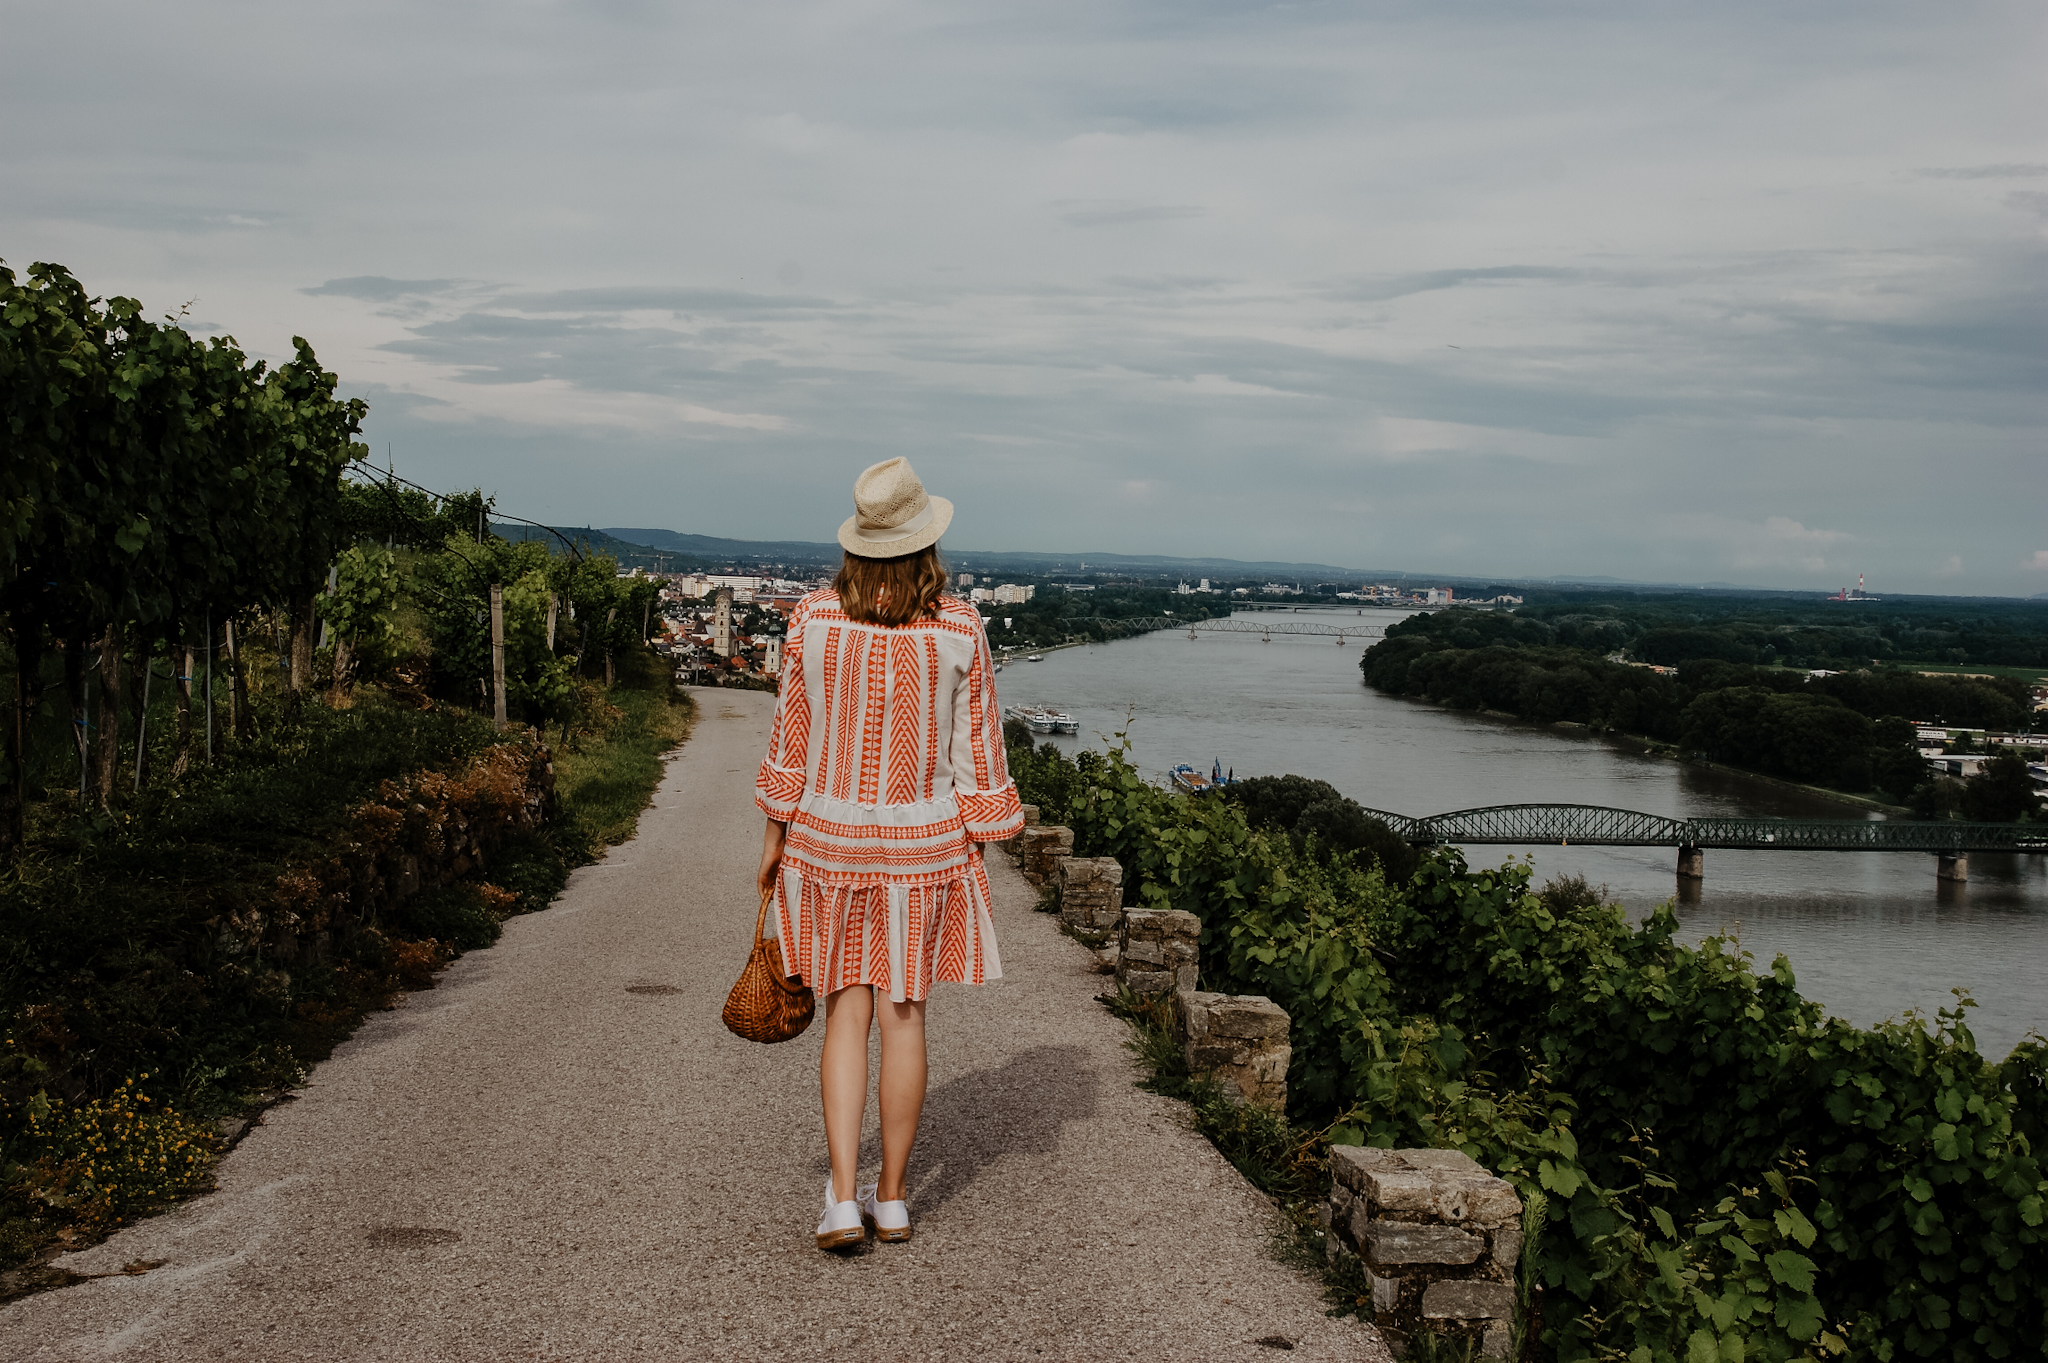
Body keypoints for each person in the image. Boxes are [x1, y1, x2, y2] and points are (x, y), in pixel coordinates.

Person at [753, 457, 1024, 1250]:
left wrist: (773, 836)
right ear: (924, 542)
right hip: (921, 844)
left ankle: (842, 1198)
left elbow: (790, 739)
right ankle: (895, 1198)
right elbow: (979, 754)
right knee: (905, 1015)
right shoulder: (959, 625)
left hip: (828, 839)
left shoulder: (811, 619)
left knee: (847, 1013)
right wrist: (973, 836)